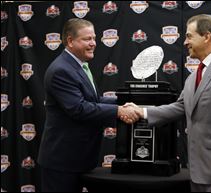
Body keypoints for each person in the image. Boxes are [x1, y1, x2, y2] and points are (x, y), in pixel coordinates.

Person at [128, 14, 211, 192]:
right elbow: (180, 107)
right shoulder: (193, 76)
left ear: (207, 36)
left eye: (189, 36)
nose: (185, 42)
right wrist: (143, 112)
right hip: (196, 170)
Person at [38, 18, 139, 192]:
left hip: (79, 159)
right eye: (87, 39)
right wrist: (119, 111)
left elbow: (93, 99)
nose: (93, 43)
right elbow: (79, 108)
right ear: (70, 41)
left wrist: (124, 101)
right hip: (62, 163)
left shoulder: (79, 65)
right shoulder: (61, 70)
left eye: (94, 38)